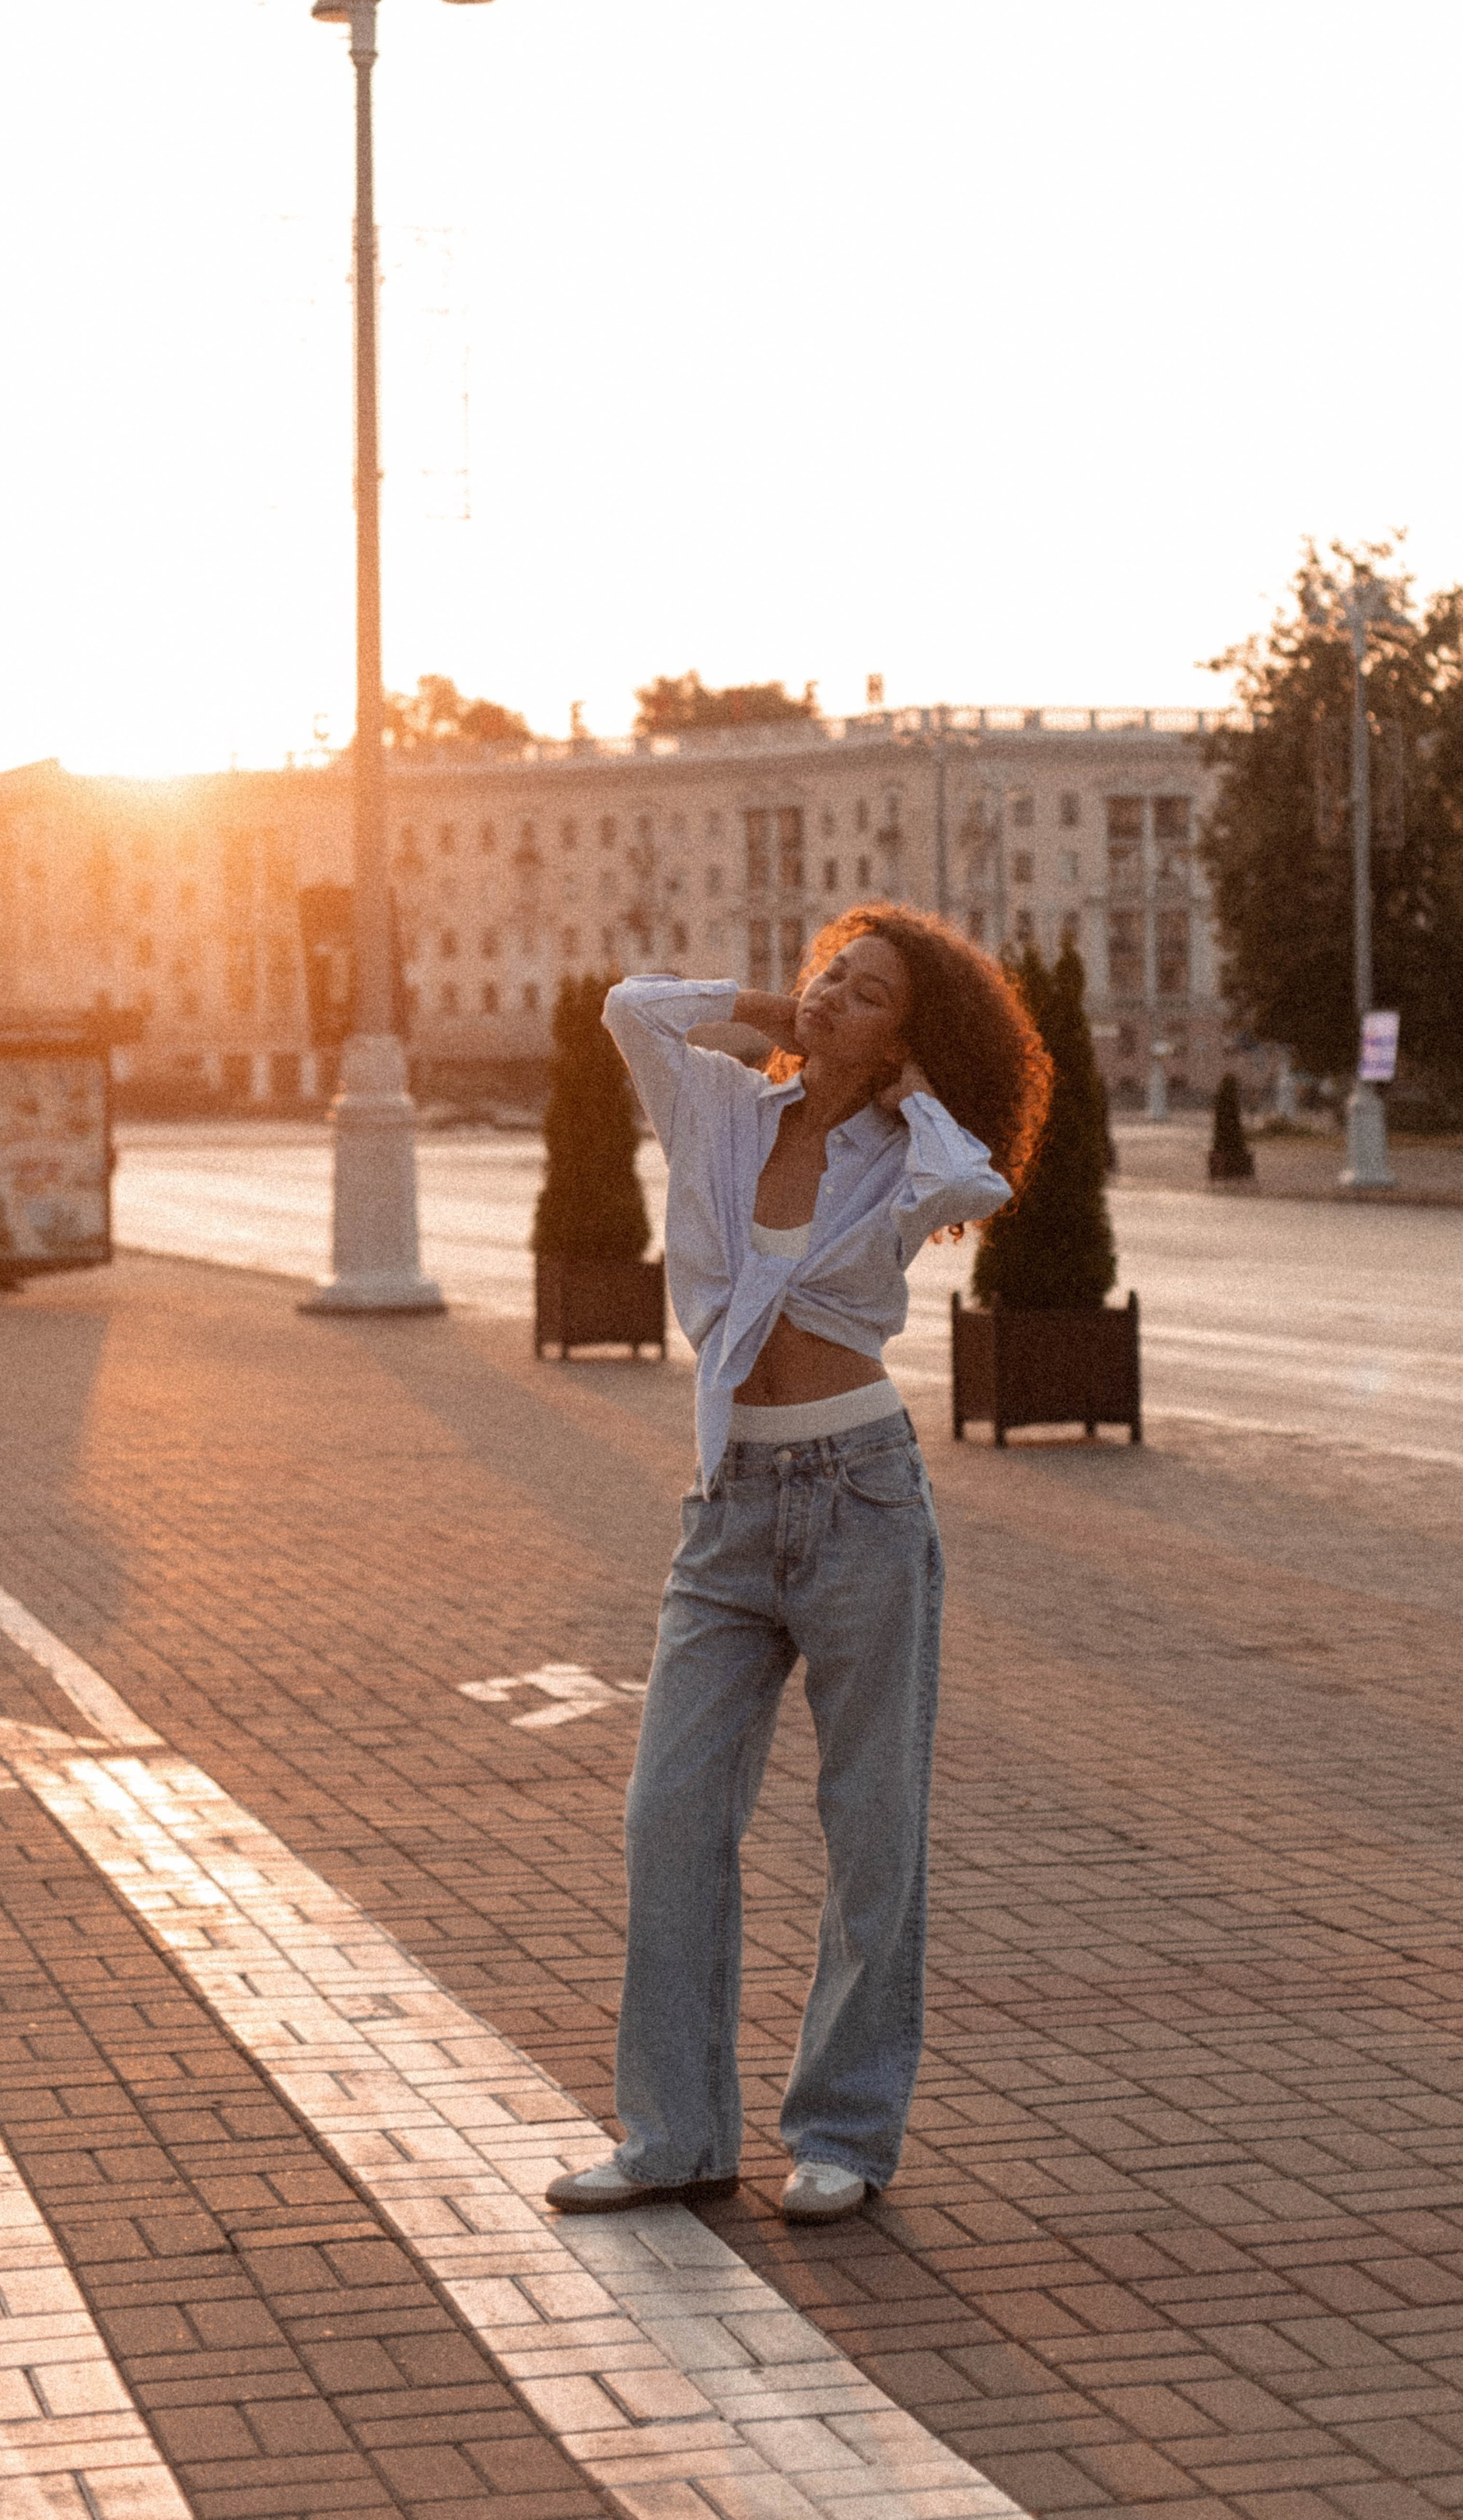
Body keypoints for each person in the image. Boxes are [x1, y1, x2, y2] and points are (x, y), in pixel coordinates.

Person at [548, 906, 1051, 2224]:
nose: (835, 993)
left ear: (908, 1039)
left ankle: (841, 2131)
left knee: (870, 1833)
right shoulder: (718, 1110)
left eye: (869, 992)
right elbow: (631, 1007)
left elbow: (978, 1180)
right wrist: (788, 1014)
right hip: (728, 1511)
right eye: (833, 970)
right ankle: (674, 2137)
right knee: (669, 1817)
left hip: (863, 1499)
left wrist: (906, 1079)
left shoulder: (906, 1153)